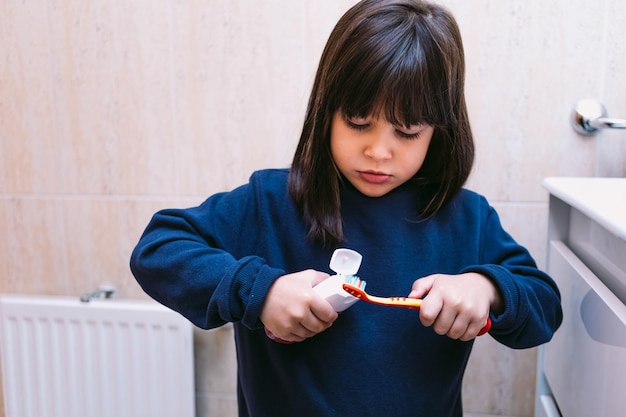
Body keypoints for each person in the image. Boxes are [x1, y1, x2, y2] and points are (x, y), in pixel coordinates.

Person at [130, 0, 562, 416]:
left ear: (439, 131)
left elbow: (545, 306)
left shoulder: (468, 219)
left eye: (407, 131)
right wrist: (260, 292)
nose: (378, 151)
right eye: (358, 123)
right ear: (326, 111)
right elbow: (158, 248)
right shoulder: (270, 201)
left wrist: (487, 289)